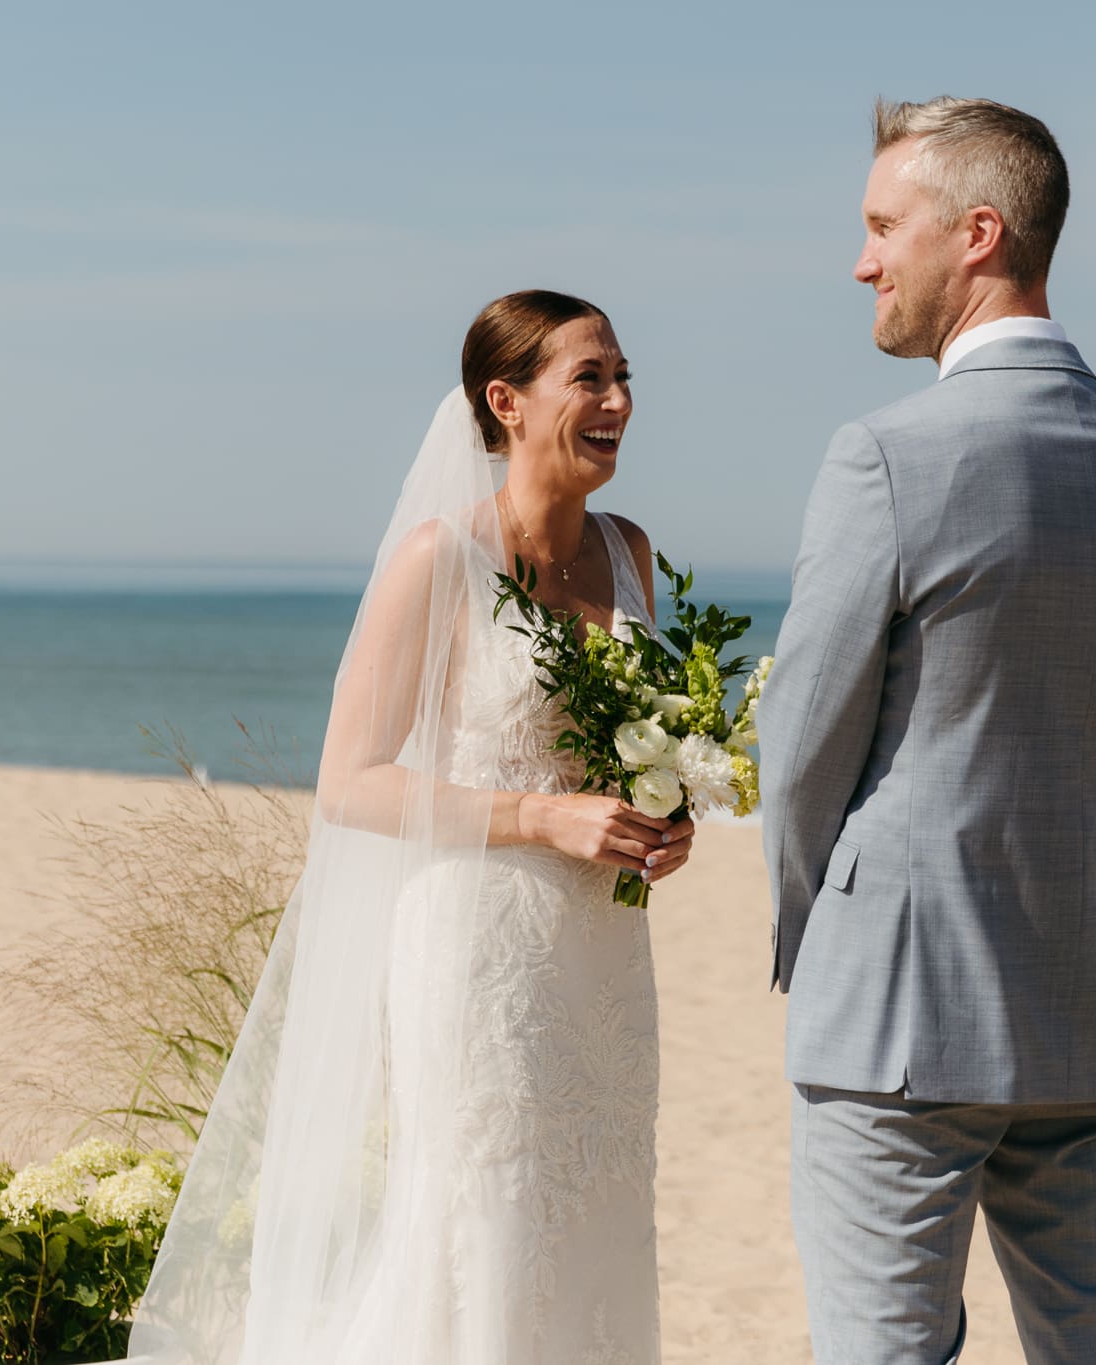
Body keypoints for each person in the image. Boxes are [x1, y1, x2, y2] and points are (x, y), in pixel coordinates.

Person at [131, 290, 693, 1365]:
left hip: (603, 952)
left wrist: (661, 822)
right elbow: (350, 783)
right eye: (590, 379)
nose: (619, 400)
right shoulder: (443, 558)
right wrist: (536, 814)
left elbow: (631, 750)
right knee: (480, 1217)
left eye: (624, 378)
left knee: (603, 1202)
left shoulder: (630, 551)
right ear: (506, 402)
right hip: (477, 944)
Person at [759, 96, 1096, 1365]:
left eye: (879, 226)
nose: (861, 261)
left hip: (897, 1013)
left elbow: (801, 742)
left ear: (974, 233)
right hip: (1086, 1003)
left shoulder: (886, 456)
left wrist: (812, 921)